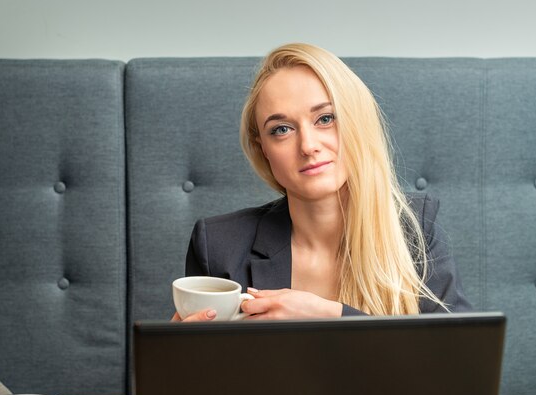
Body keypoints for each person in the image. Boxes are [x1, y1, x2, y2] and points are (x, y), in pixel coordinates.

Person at [173, 43, 471, 322]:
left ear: (356, 122)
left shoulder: (415, 228)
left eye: (325, 119)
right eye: (282, 129)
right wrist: (175, 359)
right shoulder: (217, 246)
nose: (308, 145)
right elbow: (197, 373)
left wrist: (331, 316)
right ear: (262, 147)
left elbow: (461, 365)